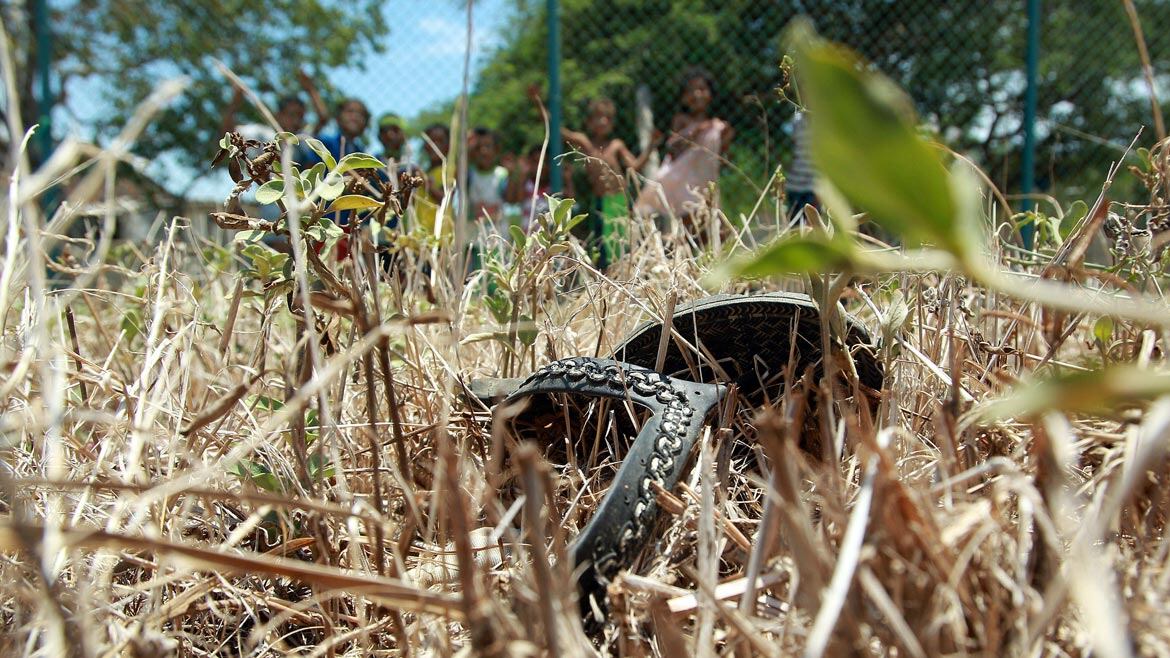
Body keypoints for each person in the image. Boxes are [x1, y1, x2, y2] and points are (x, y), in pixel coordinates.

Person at [558, 96, 661, 266]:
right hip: (600, 202)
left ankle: (622, 278)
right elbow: (561, 132)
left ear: (612, 122)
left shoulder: (616, 145)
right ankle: (605, 279)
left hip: (620, 202)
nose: (602, 121)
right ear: (589, 121)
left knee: (623, 244)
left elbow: (634, 167)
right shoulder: (586, 144)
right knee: (602, 245)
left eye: (607, 117)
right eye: (597, 117)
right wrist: (539, 104)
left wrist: (651, 146)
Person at [634, 68, 734, 228]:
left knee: (715, 228)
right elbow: (674, 148)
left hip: (705, 182)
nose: (696, 95)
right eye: (690, 91)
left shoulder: (716, 125)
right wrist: (697, 132)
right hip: (685, 184)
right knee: (694, 225)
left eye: (701, 89)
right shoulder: (682, 120)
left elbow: (722, 157)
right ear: (683, 97)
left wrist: (725, 137)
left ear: (711, 94)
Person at [466, 127, 509, 226]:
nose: (483, 151)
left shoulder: (502, 174)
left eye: (488, 146)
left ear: (496, 150)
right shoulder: (469, 174)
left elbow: (511, 199)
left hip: (499, 235)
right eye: (478, 147)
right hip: (473, 236)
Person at [308, 98, 370, 164]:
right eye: (350, 111)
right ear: (338, 117)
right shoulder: (325, 143)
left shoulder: (362, 154)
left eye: (361, 114)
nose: (355, 117)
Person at [786, 110, 818, 223]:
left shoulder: (823, 121)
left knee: (813, 223)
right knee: (794, 223)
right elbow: (790, 143)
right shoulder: (796, 119)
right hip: (795, 182)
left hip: (814, 184)